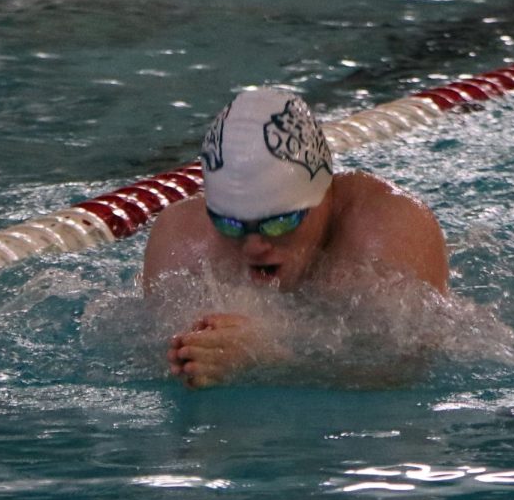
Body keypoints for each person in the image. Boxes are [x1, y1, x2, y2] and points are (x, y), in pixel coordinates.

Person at [142, 87, 449, 388]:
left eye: (278, 222)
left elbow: (410, 370)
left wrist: (276, 358)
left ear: (324, 194)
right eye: (231, 225)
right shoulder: (182, 241)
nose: (254, 247)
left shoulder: (388, 233)